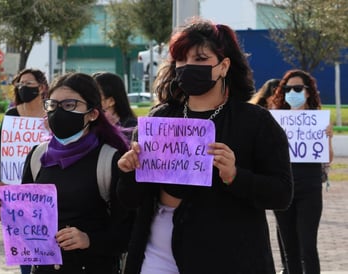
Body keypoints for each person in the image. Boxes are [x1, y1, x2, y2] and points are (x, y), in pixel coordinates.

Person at [116, 17, 293, 273]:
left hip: (227, 255)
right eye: (181, 60)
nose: (188, 67)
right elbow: (130, 200)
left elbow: (281, 194)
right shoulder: (159, 119)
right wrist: (129, 172)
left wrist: (235, 176)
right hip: (157, 251)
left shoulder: (256, 122)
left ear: (224, 66)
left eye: (200, 59)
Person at [0, 72, 134, 274]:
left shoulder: (111, 159)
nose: (59, 112)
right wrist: (9, 213)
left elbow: (127, 231)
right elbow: (30, 219)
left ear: (92, 113)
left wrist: (88, 239)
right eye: (52, 105)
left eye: (69, 105)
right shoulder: (37, 156)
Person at [269, 69, 334, 274]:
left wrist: (328, 138)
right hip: (283, 189)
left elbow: (327, 158)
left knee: (307, 246)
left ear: (307, 92)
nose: (292, 93)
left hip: (309, 188)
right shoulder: (276, 121)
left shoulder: (318, 120)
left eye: (297, 88)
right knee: (289, 249)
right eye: (287, 89)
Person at [0, 68, 49, 274]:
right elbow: (1, 151)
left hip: (44, 189)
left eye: (28, 84)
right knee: (24, 245)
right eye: (20, 84)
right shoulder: (12, 114)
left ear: (42, 87)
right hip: (15, 190)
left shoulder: (51, 117)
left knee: (45, 241)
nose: (23, 88)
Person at [92, 71, 137, 142]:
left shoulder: (133, 129)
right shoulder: (90, 125)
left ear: (111, 101)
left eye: (95, 94)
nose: (89, 98)